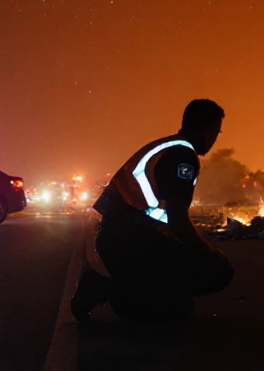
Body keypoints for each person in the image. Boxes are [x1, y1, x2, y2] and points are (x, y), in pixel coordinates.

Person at [71, 99, 234, 321]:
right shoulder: (183, 158)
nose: (215, 139)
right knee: (217, 271)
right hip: (129, 243)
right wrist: (209, 251)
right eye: (216, 131)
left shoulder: (168, 147)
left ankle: (133, 295)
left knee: (174, 302)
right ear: (206, 130)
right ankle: (105, 289)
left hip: (120, 239)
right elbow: (178, 220)